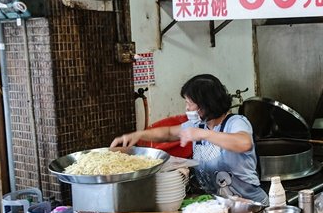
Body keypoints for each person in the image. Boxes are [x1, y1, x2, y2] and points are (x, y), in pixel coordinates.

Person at [111, 74, 268, 204]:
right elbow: (167, 133)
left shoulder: (235, 122)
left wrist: (202, 134)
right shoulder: (198, 124)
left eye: (189, 103)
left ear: (205, 104)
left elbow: (244, 143)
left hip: (251, 206)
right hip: (219, 206)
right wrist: (138, 135)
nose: (186, 108)